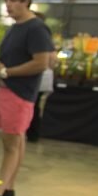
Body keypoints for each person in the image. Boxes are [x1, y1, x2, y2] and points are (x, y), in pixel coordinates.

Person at [0, 0, 55, 196]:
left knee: (11, 144)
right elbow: (3, 64)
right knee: (15, 141)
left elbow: (42, 62)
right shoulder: (14, 28)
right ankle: (8, 186)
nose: (9, 6)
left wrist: (8, 73)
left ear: (25, 2)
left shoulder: (36, 29)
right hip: (5, 90)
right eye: (7, 1)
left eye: (13, 1)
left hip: (20, 93)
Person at [25, 10, 57, 143]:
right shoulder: (45, 39)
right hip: (41, 78)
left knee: (34, 106)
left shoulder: (40, 37)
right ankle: (32, 133)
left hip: (39, 79)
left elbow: (51, 60)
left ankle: (31, 133)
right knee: (36, 106)